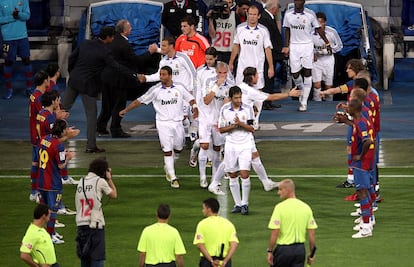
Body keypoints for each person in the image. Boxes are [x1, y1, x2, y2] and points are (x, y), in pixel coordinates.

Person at [62, 26, 139, 153]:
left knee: (61, 111)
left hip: (74, 81)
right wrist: (134, 75)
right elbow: (116, 67)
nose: (113, 39)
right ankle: (91, 146)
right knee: (91, 117)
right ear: (108, 37)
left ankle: (50, 138)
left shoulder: (85, 43)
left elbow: (72, 58)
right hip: (88, 86)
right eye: (112, 37)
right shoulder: (105, 51)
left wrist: (73, 72)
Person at [120, 66, 198, 189]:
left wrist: (194, 108)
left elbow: (191, 99)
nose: (161, 77)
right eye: (160, 74)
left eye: (164, 74)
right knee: (167, 150)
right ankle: (173, 177)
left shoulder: (180, 87)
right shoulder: (155, 90)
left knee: (178, 148)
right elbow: (139, 101)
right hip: (163, 124)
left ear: (170, 76)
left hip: (178, 123)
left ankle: (169, 166)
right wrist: (126, 110)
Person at [97, 20, 158, 138]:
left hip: (106, 77)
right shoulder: (124, 44)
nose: (131, 30)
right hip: (119, 79)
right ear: (124, 31)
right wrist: (149, 52)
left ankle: (101, 126)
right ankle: (116, 129)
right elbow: (136, 61)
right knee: (119, 105)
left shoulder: (111, 40)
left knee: (107, 104)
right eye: (129, 28)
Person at [320, 59, 366, 188]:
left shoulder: (354, 83)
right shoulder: (364, 84)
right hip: (358, 119)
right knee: (354, 149)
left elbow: (336, 90)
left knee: (353, 150)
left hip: (357, 121)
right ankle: (354, 179)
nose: (346, 70)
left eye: (349, 68)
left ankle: (355, 180)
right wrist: (346, 106)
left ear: (355, 69)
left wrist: (324, 92)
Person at [282, 0, 331, 112]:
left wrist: (327, 43)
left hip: (307, 45)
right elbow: (287, 29)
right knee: (295, 74)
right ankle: (303, 90)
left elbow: (319, 29)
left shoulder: (310, 14)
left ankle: (303, 101)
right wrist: (286, 45)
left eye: (300, 1)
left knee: (307, 71)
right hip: (294, 45)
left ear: (303, 2)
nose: (297, 2)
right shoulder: (288, 14)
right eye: (296, 0)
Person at [38, 119, 77, 244]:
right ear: (61, 131)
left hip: (41, 180)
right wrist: (68, 157)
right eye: (65, 129)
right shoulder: (58, 146)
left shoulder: (45, 139)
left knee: (45, 210)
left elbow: (50, 152)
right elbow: (61, 166)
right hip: (52, 183)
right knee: (53, 210)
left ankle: (51, 233)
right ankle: (50, 236)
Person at [218, 85, 255, 215]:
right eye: (236, 98)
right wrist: (233, 126)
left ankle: (245, 203)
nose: (239, 100)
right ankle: (237, 204)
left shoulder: (248, 108)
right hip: (231, 145)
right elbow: (221, 129)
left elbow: (252, 128)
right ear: (230, 98)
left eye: (240, 97)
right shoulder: (224, 109)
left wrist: (241, 124)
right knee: (232, 175)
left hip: (245, 144)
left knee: (245, 174)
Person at [75, 158, 117, 266]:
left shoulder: (81, 182)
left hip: (81, 225)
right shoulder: (100, 181)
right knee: (97, 260)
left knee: (84, 260)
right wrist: (109, 179)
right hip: (95, 226)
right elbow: (113, 195)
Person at [198, 62, 234, 188]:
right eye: (220, 73)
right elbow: (206, 101)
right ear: (216, 72)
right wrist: (216, 86)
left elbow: (233, 103)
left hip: (219, 120)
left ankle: (214, 178)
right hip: (206, 117)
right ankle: (202, 177)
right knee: (204, 145)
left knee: (217, 149)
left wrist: (228, 102)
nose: (222, 76)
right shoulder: (209, 81)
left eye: (225, 73)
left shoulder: (231, 85)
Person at [266, 179, 317, 267]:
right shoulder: (306, 207)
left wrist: (270, 251)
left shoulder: (279, 208)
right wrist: (311, 254)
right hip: (300, 251)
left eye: (280, 189)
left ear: (287, 190)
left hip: (283, 251)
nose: (278, 192)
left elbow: (275, 232)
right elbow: (311, 234)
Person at [229, 4, 274, 95]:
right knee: (240, 91)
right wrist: (231, 62)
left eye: (254, 14)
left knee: (258, 92)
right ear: (247, 14)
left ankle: (257, 109)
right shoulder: (240, 28)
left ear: (259, 16)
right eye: (250, 14)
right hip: (243, 66)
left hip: (257, 67)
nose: (252, 17)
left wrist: (271, 67)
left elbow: (268, 49)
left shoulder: (263, 30)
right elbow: (236, 46)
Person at [346, 99, 375, 238]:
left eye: (349, 106)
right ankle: (368, 221)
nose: (347, 108)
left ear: (354, 109)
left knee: (362, 191)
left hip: (361, 164)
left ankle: (366, 228)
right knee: (367, 190)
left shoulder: (361, 123)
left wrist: (360, 156)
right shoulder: (360, 121)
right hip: (365, 164)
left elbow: (367, 141)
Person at [0, 0, 33, 100]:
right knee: (8, 62)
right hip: (8, 38)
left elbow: (27, 16)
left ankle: (29, 88)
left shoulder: (23, 0)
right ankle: (9, 89)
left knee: (26, 61)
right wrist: (12, 17)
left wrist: (18, 14)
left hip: (22, 36)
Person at [193, 198, 239, 267]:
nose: (203, 211)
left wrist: (211, 260)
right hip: (224, 262)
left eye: (204, 208)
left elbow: (199, 245)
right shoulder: (229, 224)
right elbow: (234, 245)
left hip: (207, 262)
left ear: (209, 209)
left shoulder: (202, 224)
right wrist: (225, 261)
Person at [28, 71, 50, 202]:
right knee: (42, 165)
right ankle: (38, 193)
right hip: (39, 135)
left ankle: (34, 191)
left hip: (34, 134)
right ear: (45, 81)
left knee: (35, 163)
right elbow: (42, 116)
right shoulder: (39, 98)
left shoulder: (34, 95)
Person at [311, 12, 343, 101]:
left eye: (321, 22)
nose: (319, 25)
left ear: (325, 22)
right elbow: (307, 46)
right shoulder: (310, 32)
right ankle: (316, 102)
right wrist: (313, 53)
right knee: (317, 85)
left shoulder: (332, 32)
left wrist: (330, 51)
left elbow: (340, 45)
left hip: (328, 60)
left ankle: (329, 103)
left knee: (328, 85)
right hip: (317, 61)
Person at [259, 0, 284, 110]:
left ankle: (269, 101)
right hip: (268, 54)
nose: (278, 10)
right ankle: (266, 102)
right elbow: (269, 39)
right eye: (278, 8)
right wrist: (279, 50)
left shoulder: (269, 17)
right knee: (267, 78)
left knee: (270, 78)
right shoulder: (265, 18)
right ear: (274, 9)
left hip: (274, 54)